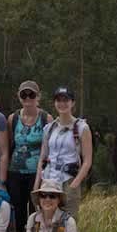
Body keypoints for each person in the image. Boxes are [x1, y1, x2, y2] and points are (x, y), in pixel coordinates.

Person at [7, 80, 50, 232]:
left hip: (37, 175)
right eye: (24, 95)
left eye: (31, 95)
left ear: (38, 97)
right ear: (19, 97)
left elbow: (48, 150)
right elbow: (7, 148)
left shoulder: (45, 118)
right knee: (18, 221)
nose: (27, 99)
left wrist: (43, 178)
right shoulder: (13, 119)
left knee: (38, 219)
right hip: (15, 174)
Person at [34, 87, 93, 217]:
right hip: (48, 179)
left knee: (68, 222)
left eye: (66, 100)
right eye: (58, 100)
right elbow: (42, 158)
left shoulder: (82, 128)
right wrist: (37, 183)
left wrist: (74, 184)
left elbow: (87, 160)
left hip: (68, 180)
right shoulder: (49, 129)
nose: (62, 104)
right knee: (46, 220)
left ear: (72, 103)